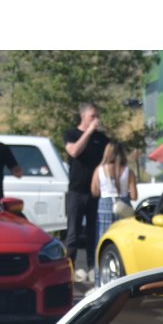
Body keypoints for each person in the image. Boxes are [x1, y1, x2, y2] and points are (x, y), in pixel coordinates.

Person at [64, 103, 109, 283]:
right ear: (83, 117)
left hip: (95, 192)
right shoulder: (71, 134)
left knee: (93, 232)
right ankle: (70, 267)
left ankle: (92, 267)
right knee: (73, 231)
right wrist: (88, 132)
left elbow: (108, 160)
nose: (96, 120)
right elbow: (74, 151)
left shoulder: (102, 139)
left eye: (97, 116)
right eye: (92, 116)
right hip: (76, 190)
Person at [92, 141, 138, 280]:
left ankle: (100, 279)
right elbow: (135, 196)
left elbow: (94, 191)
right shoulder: (127, 171)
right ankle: (122, 278)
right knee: (123, 243)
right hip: (123, 206)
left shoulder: (99, 170)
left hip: (104, 205)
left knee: (101, 242)